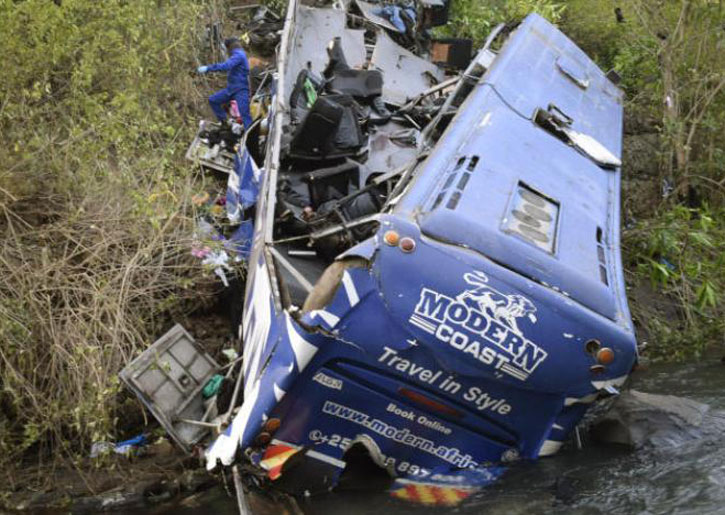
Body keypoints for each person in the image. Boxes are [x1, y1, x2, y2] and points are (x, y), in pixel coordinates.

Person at [197, 38, 253, 130]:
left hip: (241, 90)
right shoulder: (237, 54)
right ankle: (225, 123)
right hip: (231, 89)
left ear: (229, 47)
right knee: (213, 100)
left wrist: (209, 68)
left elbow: (226, 66)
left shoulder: (238, 55)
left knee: (245, 114)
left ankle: (250, 135)